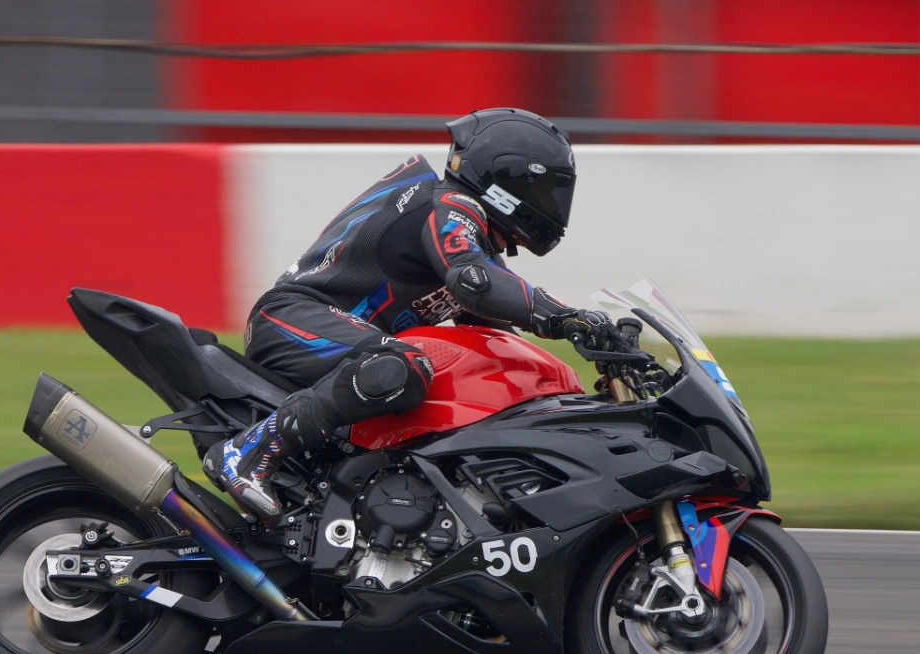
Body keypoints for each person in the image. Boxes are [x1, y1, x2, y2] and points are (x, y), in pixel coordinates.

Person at [203, 107, 617, 518]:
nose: (552, 204)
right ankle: (247, 451)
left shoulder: (475, 240)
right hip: (291, 318)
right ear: (507, 178)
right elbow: (475, 282)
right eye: (545, 190)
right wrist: (567, 317)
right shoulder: (451, 205)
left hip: (349, 344)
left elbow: (501, 343)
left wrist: (587, 385)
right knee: (403, 366)